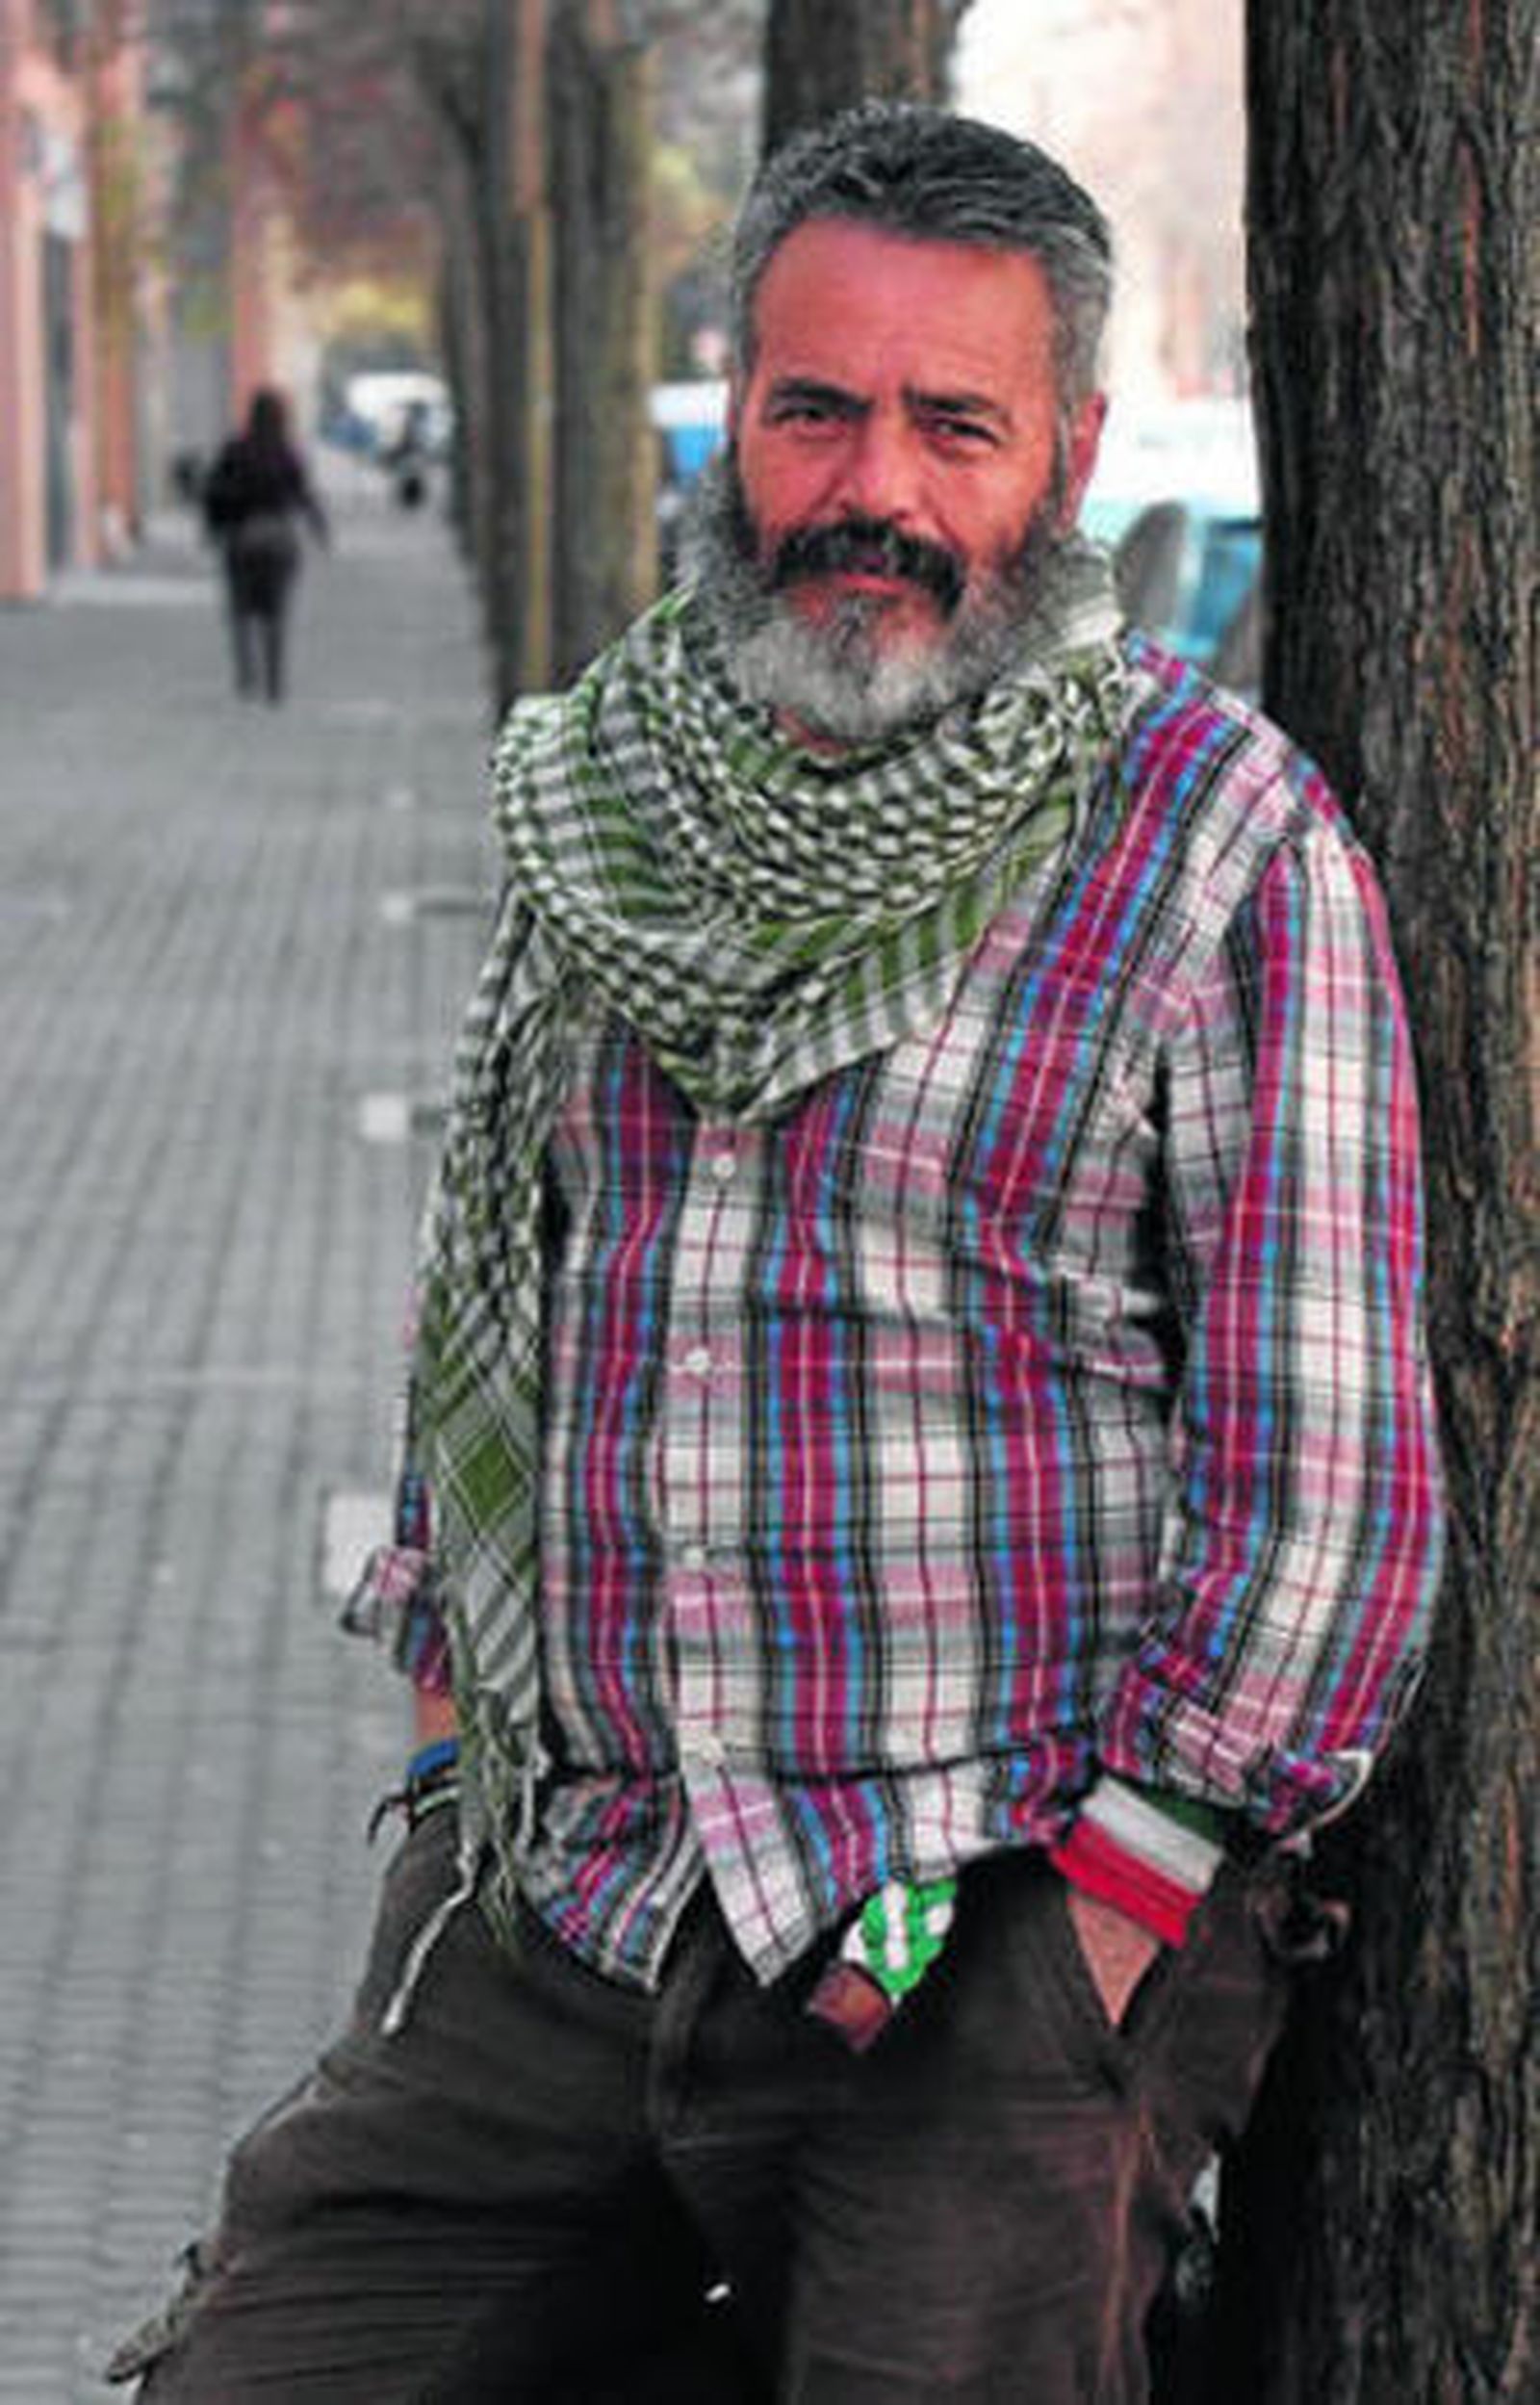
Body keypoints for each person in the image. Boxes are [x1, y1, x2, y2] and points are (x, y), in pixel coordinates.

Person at [112, 104, 1444, 2402]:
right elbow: (501, 1309)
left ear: (1069, 448)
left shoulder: (1210, 847)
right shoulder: (606, 791)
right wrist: (458, 1729)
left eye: (956, 423)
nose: (877, 491)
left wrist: (1110, 1901)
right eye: (818, 407)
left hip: (987, 1897)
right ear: (742, 405)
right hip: (589, 1884)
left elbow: (1325, 1479)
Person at [201, 388, 328, 705]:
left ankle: (247, 675)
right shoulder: (286, 453)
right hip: (278, 540)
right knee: (276, 614)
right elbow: (304, 495)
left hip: (242, 540)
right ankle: (275, 681)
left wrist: (213, 529)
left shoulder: (235, 450)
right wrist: (319, 529)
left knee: (241, 612)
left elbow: (213, 493)